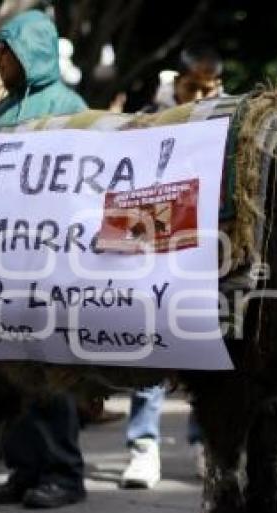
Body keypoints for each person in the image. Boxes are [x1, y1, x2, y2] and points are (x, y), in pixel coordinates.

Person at [0, 9, 89, 509]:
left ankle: (64, 474)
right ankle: (25, 467)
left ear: (31, 53)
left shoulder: (70, 106)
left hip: (53, 265)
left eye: (6, 53)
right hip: (0, 265)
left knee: (52, 372)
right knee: (8, 373)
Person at [120, 46, 223, 489]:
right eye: (192, 86)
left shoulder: (227, 122)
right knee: (151, 347)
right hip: (153, 248)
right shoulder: (145, 120)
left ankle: (204, 444)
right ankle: (144, 447)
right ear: (175, 82)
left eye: (209, 87)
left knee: (205, 351)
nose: (200, 94)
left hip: (208, 252)